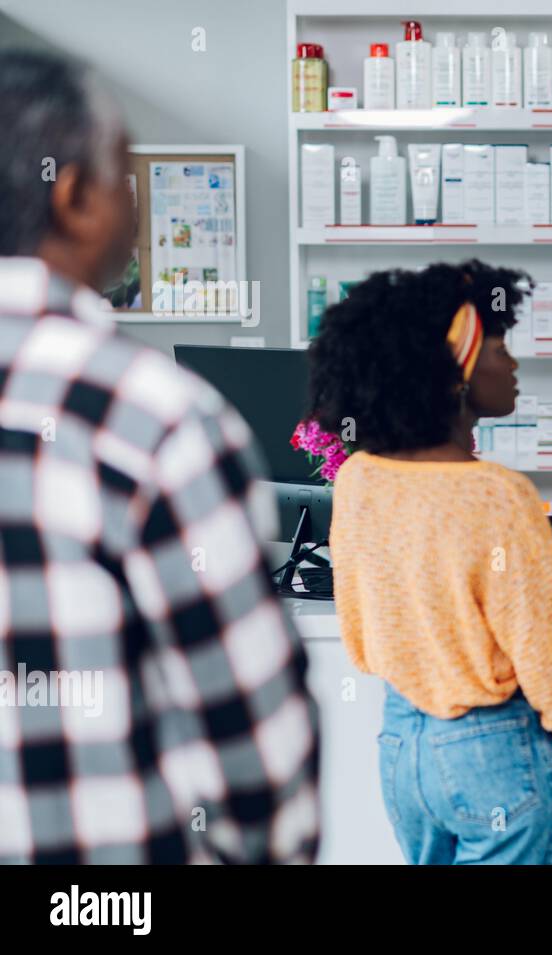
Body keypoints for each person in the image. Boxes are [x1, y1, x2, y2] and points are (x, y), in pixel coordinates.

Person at [0, 50, 319, 863]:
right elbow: (254, 745)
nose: (136, 202)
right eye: (126, 174)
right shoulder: (150, 417)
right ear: (73, 196)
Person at [309, 261, 552, 865]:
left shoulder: (357, 480)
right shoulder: (496, 495)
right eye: (498, 347)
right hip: (496, 749)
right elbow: (548, 650)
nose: (511, 364)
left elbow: (358, 630)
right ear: (456, 366)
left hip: (401, 746)